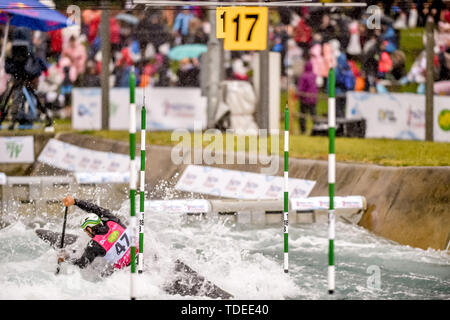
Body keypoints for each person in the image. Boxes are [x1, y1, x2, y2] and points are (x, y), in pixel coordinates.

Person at [57, 195, 138, 273]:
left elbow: (82, 264)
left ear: (89, 229)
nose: (87, 234)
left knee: (101, 272)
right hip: (139, 257)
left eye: (86, 231)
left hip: (124, 272)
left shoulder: (94, 245)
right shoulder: (112, 221)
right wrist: (75, 201)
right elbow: (96, 209)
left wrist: (66, 259)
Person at [297, 61, 318, 135]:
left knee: (302, 115)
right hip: (313, 98)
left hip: (305, 98)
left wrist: (299, 95)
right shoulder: (314, 75)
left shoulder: (304, 76)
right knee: (313, 115)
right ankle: (317, 128)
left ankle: (303, 130)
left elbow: (301, 87)